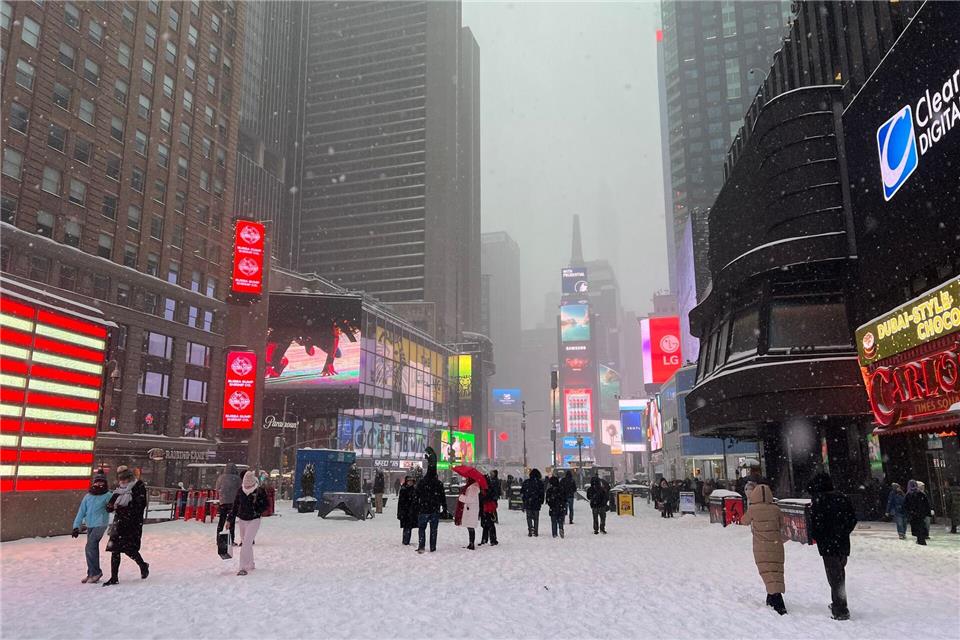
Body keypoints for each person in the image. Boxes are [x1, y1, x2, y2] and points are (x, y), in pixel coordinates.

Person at [807, 473, 857, 620]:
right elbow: (852, 518)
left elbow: (815, 524)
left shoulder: (819, 501)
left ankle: (840, 608)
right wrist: (843, 531)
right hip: (842, 543)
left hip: (828, 545)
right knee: (839, 573)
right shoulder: (842, 498)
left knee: (835, 576)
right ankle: (839, 602)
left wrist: (820, 537)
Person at [740, 484, 788, 615]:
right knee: (776, 571)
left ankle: (777, 601)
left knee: (766, 571)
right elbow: (782, 524)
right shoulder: (776, 509)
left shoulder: (753, 509)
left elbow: (743, 521)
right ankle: (771, 597)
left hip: (761, 546)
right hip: (776, 545)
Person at [102, 466, 149, 587]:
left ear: (129, 478)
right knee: (115, 549)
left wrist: (123, 509)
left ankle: (142, 565)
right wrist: (110, 507)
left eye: (124, 479)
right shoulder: (119, 490)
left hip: (132, 523)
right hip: (120, 523)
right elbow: (110, 505)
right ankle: (114, 577)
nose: (122, 482)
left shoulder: (138, 487)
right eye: (120, 479)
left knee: (129, 549)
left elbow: (140, 505)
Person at [72, 470, 113, 584]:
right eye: (97, 483)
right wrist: (76, 526)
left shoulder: (108, 495)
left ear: (105, 484)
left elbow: (113, 506)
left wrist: (111, 508)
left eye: (101, 483)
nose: (99, 485)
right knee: (91, 548)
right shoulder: (88, 496)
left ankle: (96, 572)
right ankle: (91, 572)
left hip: (100, 524)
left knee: (90, 546)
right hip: (90, 524)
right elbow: (81, 511)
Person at [232, 471, 269, 576]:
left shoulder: (259, 491)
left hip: (254, 519)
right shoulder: (241, 490)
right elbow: (235, 505)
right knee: (246, 542)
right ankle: (251, 563)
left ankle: (242, 567)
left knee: (246, 543)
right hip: (242, 519)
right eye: (245, 485)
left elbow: (266, 504)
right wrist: (230, 520)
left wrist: (257, 511)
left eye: (249, 485)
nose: (247, 487)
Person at [415, 449, 446, 554]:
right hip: (434, 509)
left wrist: (417, 506)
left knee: (422, 528)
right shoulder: (438, 484)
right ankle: (432, 547)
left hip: (424, 509)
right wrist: (444, 508)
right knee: (433, 530)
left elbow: (416, 495)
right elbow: (443, 497)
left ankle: (421, 546)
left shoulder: (422, 482)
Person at [215, 463, 242, 546]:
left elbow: (217, 488)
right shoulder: (237, 478)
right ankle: (231, 539)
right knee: (231, 521)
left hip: (223, 501)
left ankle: (218, 539)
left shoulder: (221, 477)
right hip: (233, 502)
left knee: (221, 521)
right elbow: (240, 489)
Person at [903, 479, 931, 545]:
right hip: (921, 513)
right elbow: (926, 504)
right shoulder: (921, 494)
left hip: (913, 514)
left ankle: (920, 540)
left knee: (917, 527)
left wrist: (909, 512)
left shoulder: (908, 495)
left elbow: (905, 505)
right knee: (921, 525)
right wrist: (927, 512)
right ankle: (921, 539)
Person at [456, 477, 481, 550]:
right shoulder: (472, 486)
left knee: (470, 527)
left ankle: (472, 544)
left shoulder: (473, 487)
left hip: (471, 509)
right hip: (470, 509)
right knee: (470, 526)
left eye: (467, 479)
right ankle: (471, 543)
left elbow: (470, 499)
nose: (466, 480)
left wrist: (461, 497)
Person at [520, 468, 545, 537]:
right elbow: (542, 493)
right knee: (536, 518)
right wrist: (541, 501)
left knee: (529, 517)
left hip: (528, 502)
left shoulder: (526, 482)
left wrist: (524, 500)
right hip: (536, 502)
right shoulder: (540, 483)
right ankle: (536, 531)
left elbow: (522, 492)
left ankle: (530, 529)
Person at [397, 475, 418, 546]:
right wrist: (400, 513)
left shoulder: (414, 489)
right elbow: (400, 502)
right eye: (409, 481)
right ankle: (405, 541)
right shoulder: (404, 490)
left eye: (411, 481)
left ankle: (406, 540)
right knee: (407, 527)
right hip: (405, 512)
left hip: (412, 512)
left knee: (409, 527)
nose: (410, 483)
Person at [480, 470, 500, 546]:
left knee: (489, 523)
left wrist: (484, 496)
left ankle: (492, 539)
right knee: (486, 524)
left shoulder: (488, 487)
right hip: (486, 507)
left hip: (488, 507)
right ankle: (486, 539)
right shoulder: (484, 487)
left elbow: (491, 496)